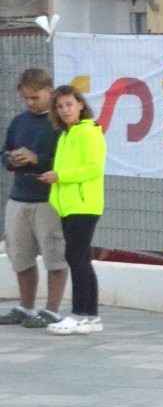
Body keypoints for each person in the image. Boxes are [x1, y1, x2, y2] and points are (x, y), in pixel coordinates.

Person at [2, 68, 67, 328]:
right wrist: (11, 159)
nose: (30, 103)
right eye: (26, 98)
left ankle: (51, 311)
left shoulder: (60, 125)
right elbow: (3, 153)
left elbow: (67, 164)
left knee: (54, 255)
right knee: (20, 255)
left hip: (48, 201)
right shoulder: (19, 121)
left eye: (35, 97)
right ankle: (26, 307)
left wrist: (36, 159)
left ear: (49, 92)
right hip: (18, 198)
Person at [38, 85, 105, 335]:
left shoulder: (89, 132)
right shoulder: (66, 135)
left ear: (80, 105)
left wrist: (60, 176)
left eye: (69, 104)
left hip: (84, 205)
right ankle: (91, 317)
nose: (65, 110)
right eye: (60, 106)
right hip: (70, 206)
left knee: (76, 259)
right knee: (81, 259)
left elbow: (93, 168)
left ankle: (80, 314)